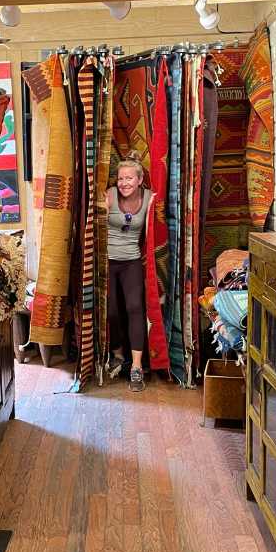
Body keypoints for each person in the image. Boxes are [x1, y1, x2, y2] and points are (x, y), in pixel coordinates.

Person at [106, 150, 150, 392]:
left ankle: (136, 366)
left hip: (131, 261)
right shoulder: (110, 196)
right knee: (111, 312)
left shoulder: (149, 198)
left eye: (129, 178)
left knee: (135, 308)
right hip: (108, 262)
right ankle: (118, 355)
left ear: (140, 180)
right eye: (120, 179)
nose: (123, 183)